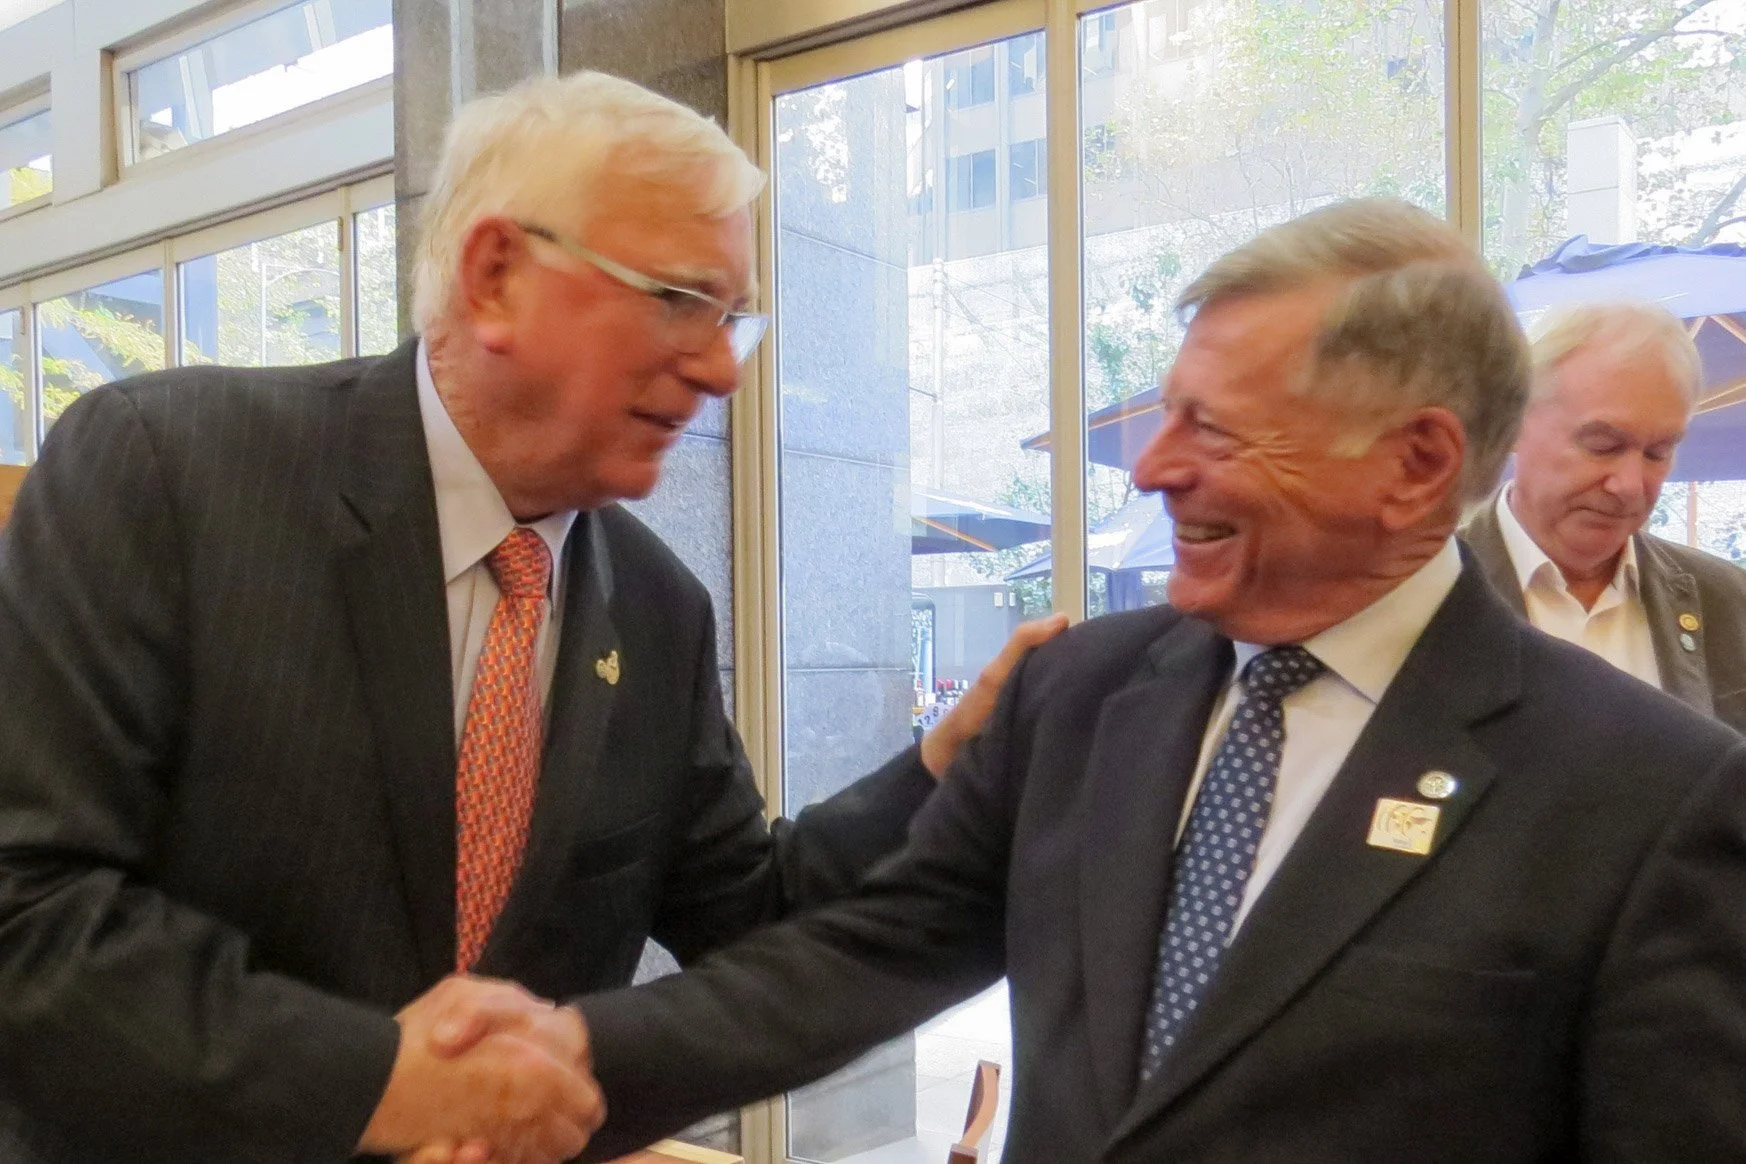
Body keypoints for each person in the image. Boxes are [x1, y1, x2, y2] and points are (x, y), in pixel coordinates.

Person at [0, 71, 1060, 1164]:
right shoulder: (167, 476)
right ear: (496, 275)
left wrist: (945, 763)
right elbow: (27, 917)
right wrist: (374, 1085)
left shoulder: (656, 611)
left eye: (731, 320)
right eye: (676, 299)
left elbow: (752, 915)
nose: (717, 370)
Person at [549, 199, 1746, 1162]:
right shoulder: (1075, 693)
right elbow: (854, 960)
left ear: (1415, 463)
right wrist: (540, 1073)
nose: (1155, 470)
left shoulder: (1650, 797)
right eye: (1166, 419)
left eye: (1214, 432)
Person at [1460, 301, 1746, 731]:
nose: (1629, 484)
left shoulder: (1728, 602)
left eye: (1657, 453)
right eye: (1602, 445)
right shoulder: (1425, 589)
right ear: (1512, 424)